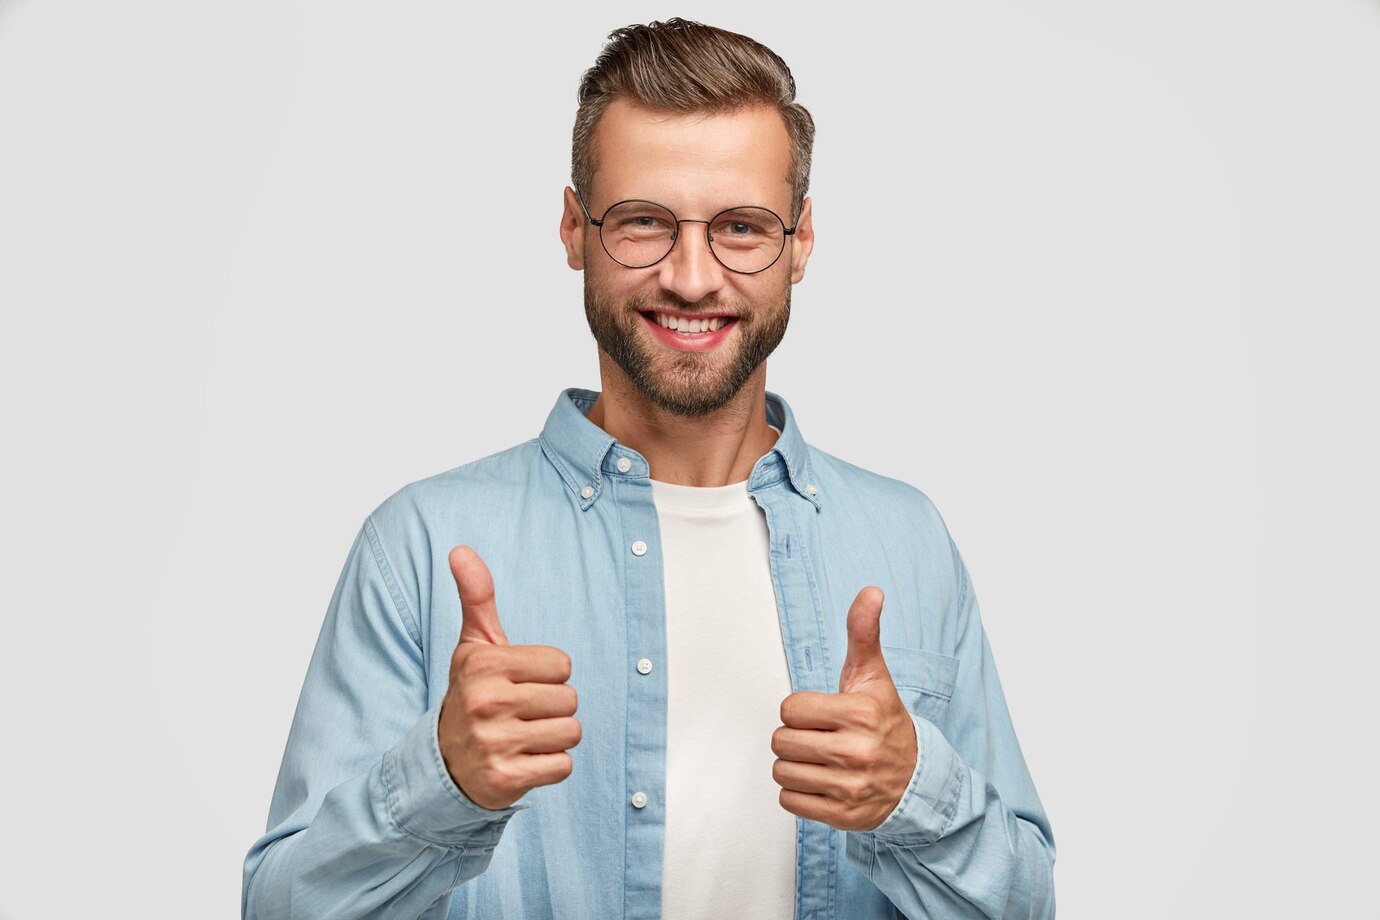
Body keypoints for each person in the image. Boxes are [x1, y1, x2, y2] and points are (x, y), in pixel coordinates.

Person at [242, 18, 1055, 919]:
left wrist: (917, 797)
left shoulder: (908, 542)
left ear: (802, 241)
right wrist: (442, 781)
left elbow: (1027, 905)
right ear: (573, 229)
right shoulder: (422, 545)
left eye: (742, 227)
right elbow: (279, 906)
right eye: (643, 224)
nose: (694, 278)